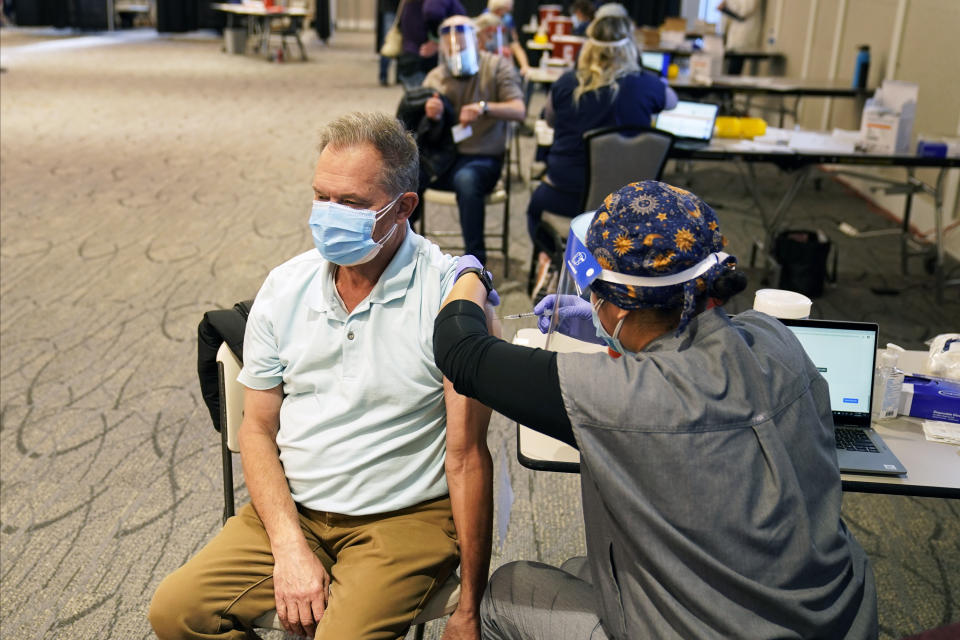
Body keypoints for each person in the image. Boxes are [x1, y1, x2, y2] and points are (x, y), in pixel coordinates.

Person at [433, 181, 879, 639]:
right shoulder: (776, 337)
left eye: (595, 296)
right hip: (838, 617)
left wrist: (469, 271)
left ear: (617, 304)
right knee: (582, 569)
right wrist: (600, 327)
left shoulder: (617, 397)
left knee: (509, 589)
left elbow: (462, 351)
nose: (591, 303)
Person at [149, 112, 495, 640]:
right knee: (176, 613)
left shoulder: (446, 295)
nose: (329, 216)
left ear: (403, 208)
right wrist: (288, 545)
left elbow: (467, 456)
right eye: (321, 197)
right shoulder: (286, 286)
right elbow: (257, 430)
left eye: (352, 204)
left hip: (404, 519)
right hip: (298, 509)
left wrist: (471, 605)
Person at [525, 14, 677, 259]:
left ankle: (557, 262)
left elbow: (551, 121)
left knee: (535, 210)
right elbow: (672, 101)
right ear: (630, 48)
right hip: (630, 206)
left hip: (565, 197)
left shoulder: (565, 84)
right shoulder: (648, 85)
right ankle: (606, 268)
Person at [421, 15, 525, 265]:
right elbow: (419, 128)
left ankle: (474, 263)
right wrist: (430, 114)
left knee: (466, 180)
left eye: (461, 41)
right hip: (444, 158)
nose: (455, 47)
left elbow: (519, 110)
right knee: (405, 176)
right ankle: (406, 254)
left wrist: (484, 108)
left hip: (483, 157)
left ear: (476, 40)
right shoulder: (436, 76)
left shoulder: (497, 66)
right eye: (449, 42)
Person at [398, 0, 466, 90]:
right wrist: (436, 41)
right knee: (426, 99)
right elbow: (433, 12)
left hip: (412, 57)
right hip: (425, 63)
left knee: (419, 99)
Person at [484, 0, 531, 76]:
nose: (508, 13)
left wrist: (525, 66)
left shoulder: (507, 20)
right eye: (506, 10)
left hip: (505, 67)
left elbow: (515, 46)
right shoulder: (484, 22)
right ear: (499, 9)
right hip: (489, 68)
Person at [719, 0, 765, 74]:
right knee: (730, 67)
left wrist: (727, 4)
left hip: (743, 33)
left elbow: (744, 12)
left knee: (736, 66)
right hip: (735, 33)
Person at [376, 0, 400, 85]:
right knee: (389, 40)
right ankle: (383, 75)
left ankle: (399, 76)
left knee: (402, 40)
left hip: (405, 6)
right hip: (389, 7)